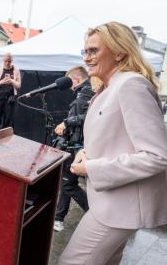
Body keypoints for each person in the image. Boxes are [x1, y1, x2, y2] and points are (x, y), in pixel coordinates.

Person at [58, 22, 167, 265]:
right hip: (110, 204)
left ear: (119, 51)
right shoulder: (108, 88)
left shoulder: (131, 85)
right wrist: (85, 152)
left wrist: (91, 168)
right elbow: (112, 136)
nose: (86, 58)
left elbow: (157, 155)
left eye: (93, 51)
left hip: (119, 208)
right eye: (85, 52)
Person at [53, 66, 94, 232]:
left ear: (76, 79)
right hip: (77, 144)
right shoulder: (87, 90)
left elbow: (86, 118)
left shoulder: (85, 92)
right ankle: (58, 218)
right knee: (67, 181)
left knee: (68, 184)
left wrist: (66, 123)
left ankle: (93, 213)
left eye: (70, 82)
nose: (69, 86)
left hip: (78, 146)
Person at [0, 53, 22, 130]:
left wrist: (11, 81)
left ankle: (4, 139)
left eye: (9, 61)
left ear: (12, 61)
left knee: (7, 121)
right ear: (3, 60)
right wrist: (2, 82)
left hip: (9, 99)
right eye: (6, 61)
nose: (7, 63)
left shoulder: (16, 70)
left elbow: (18, 86)